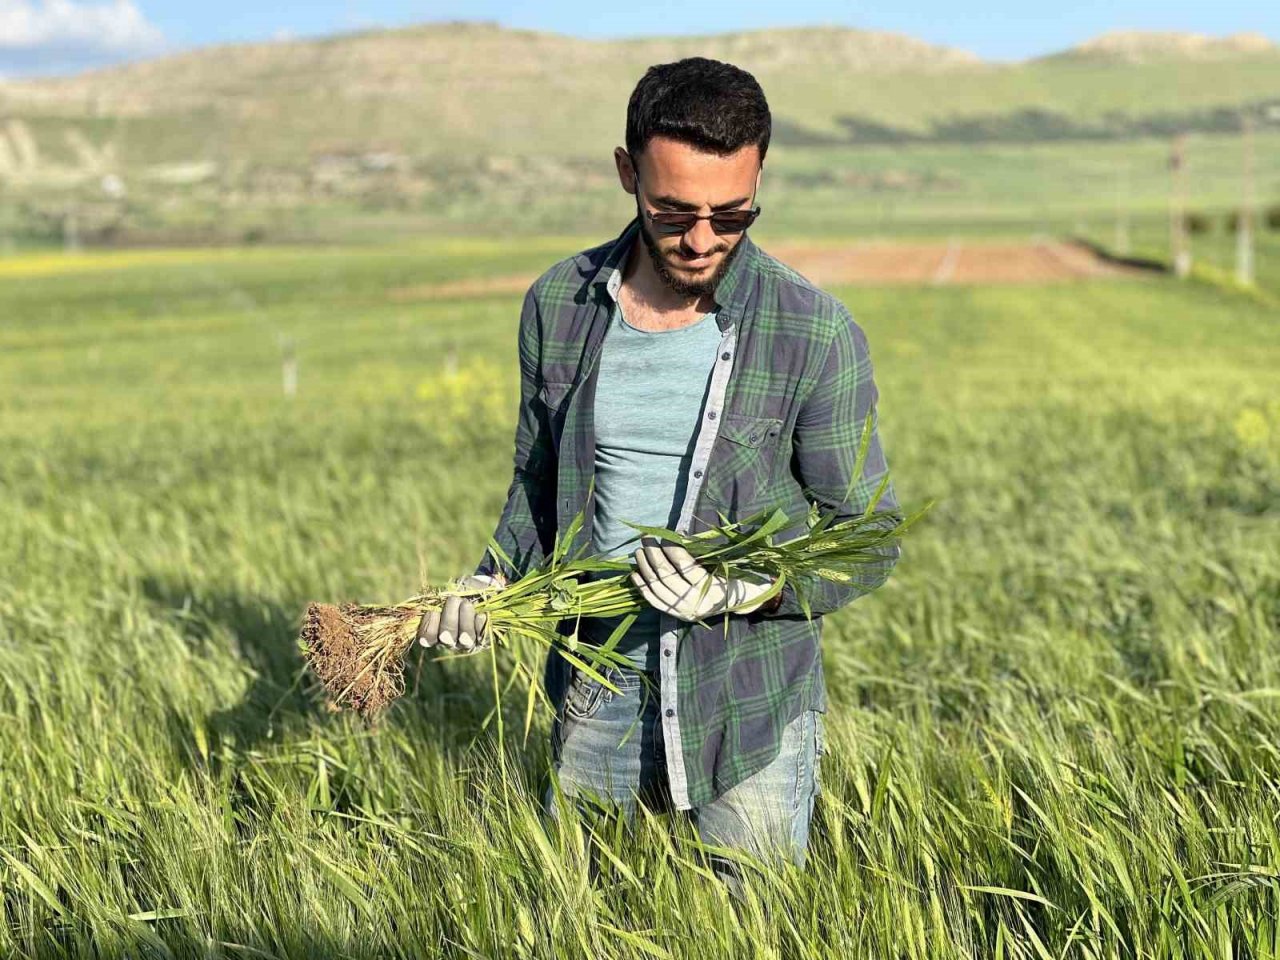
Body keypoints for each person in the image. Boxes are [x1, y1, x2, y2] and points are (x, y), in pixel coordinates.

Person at [416, 56, 901, 893]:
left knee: (744, 927)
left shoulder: (813, 331)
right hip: (594, 682)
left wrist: (744, 590)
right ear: (625, 173)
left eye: (733, 213)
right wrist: (489, 581)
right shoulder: (556, 306)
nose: (703, 238)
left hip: (745, 700)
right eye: (673, 211)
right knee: (591, 913)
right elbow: (539, 488)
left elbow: (868, 536)